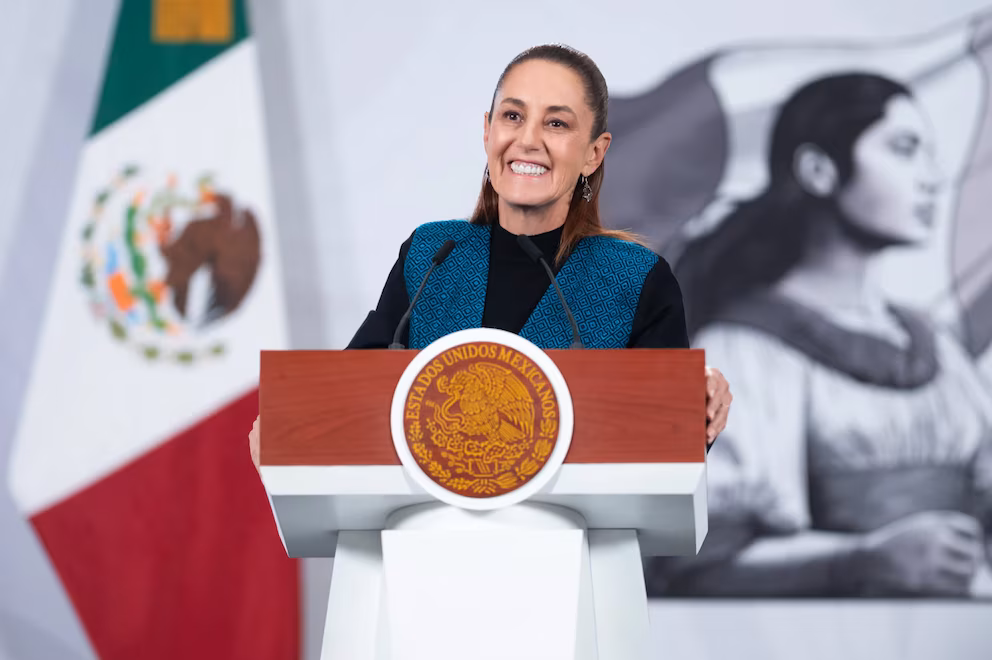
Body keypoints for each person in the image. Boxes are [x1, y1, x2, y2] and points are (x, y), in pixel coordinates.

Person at [248, 44, 734, 466]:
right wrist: (291, 425)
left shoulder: (634, 278)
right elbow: (347, 401)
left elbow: (667, 439)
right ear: (487, 131)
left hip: (574, 545)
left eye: (557, 123)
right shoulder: (432, 256)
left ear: (594, 152)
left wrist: (699, 405)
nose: (528, 140)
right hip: (425, 541)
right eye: (513, 116)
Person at [646, 72, 992, 598]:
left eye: (929, 154)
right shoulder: (743, 352)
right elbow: (698, 555)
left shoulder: (937, 348)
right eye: (904, 149)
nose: (931, 178)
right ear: (818, 170)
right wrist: (864, 559)